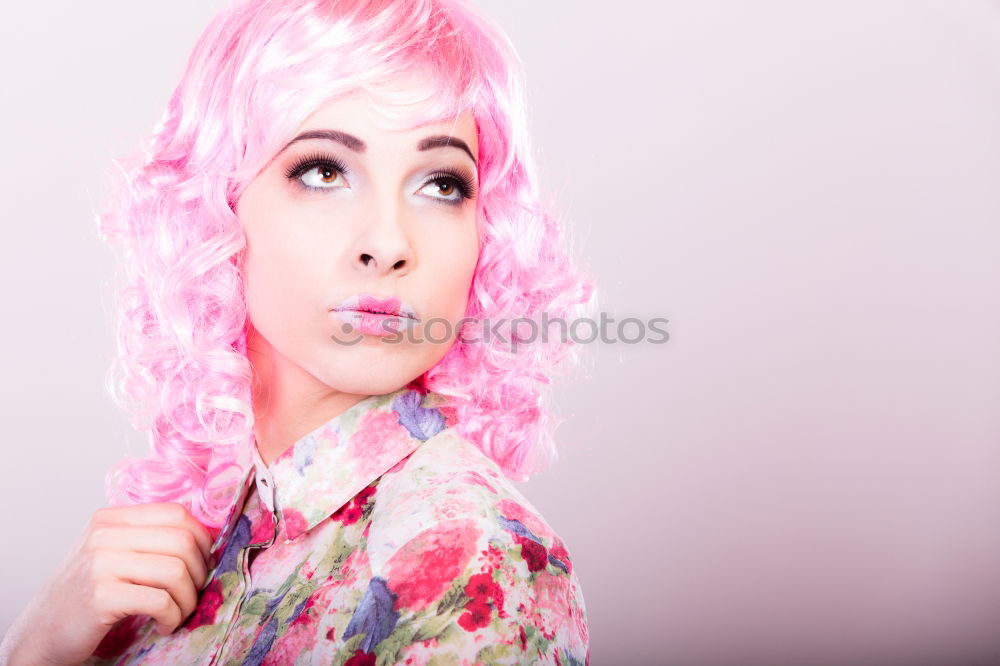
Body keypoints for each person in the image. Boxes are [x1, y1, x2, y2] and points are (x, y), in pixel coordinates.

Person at [0, 0, 596, 663]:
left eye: (441, 183)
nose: (389, 243)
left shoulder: (466, 551)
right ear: (218, 203)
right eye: (324, 171)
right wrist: (38, 645)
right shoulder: (206, 537)